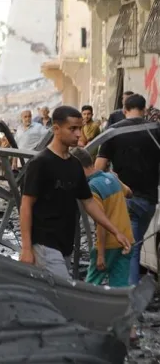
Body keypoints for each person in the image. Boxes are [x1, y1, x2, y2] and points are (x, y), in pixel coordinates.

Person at [19, 106, 131, 279]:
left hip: (65, 244)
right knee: (65, 291)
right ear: (56, 129)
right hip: (44, 244)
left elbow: (89, 202)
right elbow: (26, 205)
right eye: (72, 129)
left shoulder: (75, 165)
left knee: (54, 297)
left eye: (79, 128)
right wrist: (26, 248)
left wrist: (115, 231)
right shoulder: (40, 163)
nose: (78, 134)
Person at [95, 94, 160, 285]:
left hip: (124, 199)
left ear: (124, 111)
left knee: (129, 249)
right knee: (134, 246)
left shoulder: (114, 132)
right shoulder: (156, 131)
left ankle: (128, 298)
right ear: (145, 109)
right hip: (149, 200)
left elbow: (98, 168)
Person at [71, 147, 133, 287]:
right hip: (127, 240)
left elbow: (101, 223)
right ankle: (119, 309)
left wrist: (100, 254)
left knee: (91, 284)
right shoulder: (111, 177)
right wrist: (115, 179)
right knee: (120, 287)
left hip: (109, 244)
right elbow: (129, 193)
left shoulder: (91, 188)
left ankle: (86, 309)